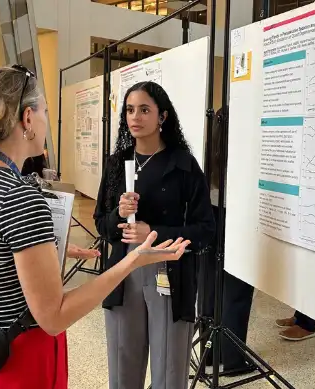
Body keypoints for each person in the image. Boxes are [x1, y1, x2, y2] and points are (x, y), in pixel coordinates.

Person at [0, 66, 190, 388]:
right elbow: (54, 317)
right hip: (20, 362)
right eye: (43, 111)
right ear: (28, 119)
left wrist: (42, 253)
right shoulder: (18, 196)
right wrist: (133, 260)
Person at [95, 81, 216, 389]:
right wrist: (118, 215)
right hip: (123, 275)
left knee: (169, 371)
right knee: (123, 367)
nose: (135, 117)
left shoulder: (184, 166)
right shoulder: (115, 166)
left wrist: (155, 232)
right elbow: (102, 225)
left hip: (168, 275)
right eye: (130, 110)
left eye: (145, 110)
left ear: (162, 116)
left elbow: (204, 231)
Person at [199, 106, 256, 376]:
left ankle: (209, 355)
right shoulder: (243, 145)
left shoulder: (212, 141)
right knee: (237, 289)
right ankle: (232, 360)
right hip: (235, 216)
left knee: (210, 285)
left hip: (211, 215)